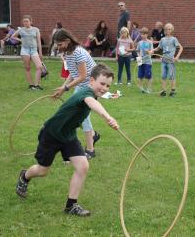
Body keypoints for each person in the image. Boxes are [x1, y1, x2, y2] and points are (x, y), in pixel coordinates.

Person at [15, 64, 119, 217]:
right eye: (102, 83)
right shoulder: (87, 93)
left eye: (108, 86)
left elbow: (94, 102)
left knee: (83, 166)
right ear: (91, 81)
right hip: (51, 134)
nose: (104, 88)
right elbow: (92, 103)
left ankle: (71, 205)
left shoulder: (92, 94)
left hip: (68, 135)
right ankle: (24, 177)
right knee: (43, 171)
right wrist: (108, 117)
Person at [51, 29, 100, 159]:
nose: (58, 47)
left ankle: (90, 150)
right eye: (57, 45)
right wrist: (62, 87)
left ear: (67, 41)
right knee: (78, 115)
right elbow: (73, 74)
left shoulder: (78, 53)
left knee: (83, 116)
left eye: (60, 44)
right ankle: (93, 135)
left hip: (92, 87)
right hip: (82, 86)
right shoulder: (68, 53)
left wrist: (65, 88)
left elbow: (83, 76)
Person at [150, 23, 183, 97]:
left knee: (172, 76)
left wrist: (177, 57)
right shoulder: (162, 39)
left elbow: (181, 48)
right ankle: (163, 91)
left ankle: (173, 91)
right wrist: (152, 50)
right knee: (163, 76)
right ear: (164, 30)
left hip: (171, 61)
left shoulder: (174, 39)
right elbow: (158, 48)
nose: (168, 30)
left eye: (170, 29)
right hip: (164, 61)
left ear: (172, 30)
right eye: (167, 29)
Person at [11, 15, 44, 90]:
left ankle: (36, 85)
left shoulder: (36, 29)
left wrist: (40, 52)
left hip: (34, 50)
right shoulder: (21, 30)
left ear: (31, 22)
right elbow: (13, 36)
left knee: (39, 67)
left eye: (27, 21)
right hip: (25, 50)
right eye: (24, 21)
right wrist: (20, 40)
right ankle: (31, 85)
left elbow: (39, 41)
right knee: (27, 67)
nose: (25, 23)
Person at [136, 27, 154, 93]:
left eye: (144, 34)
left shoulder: (150, 42)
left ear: (147, 34)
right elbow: (137, 50)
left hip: (147, 61)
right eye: (141, 34)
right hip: (140, 60)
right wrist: (138, 55)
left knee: (148, 75)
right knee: (140, 75)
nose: (143, 35)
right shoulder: (139, 43)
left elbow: (152, 51)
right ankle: (142, 88)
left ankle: (149, 88)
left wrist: (149, 52)